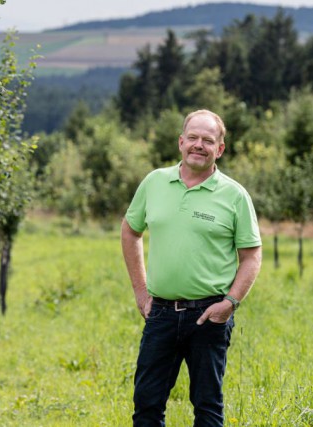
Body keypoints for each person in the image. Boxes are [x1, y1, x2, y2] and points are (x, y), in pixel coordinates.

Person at [121, 109, 262, 427]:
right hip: (160, 314)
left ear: (220, 149)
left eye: (208, 140)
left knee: (208, 407)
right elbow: (130, 231)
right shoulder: (154, 182)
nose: (199, 145)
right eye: (193, 138)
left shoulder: (235, 196)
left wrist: (230, 303)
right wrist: (140, 290)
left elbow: (252, 256)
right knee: (147, 404)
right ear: (181, 142)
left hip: (209, 316)